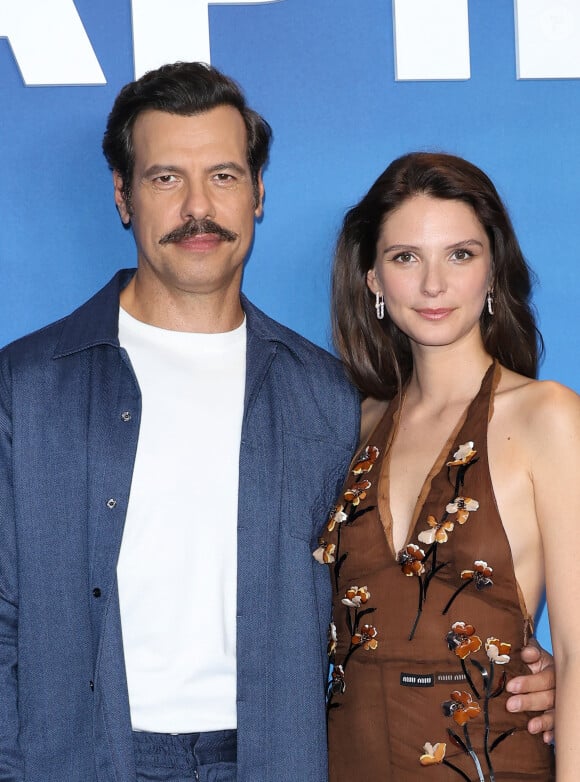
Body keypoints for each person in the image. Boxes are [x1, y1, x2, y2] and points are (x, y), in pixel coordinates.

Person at [0, 67, 555, 782]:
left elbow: (379, 592)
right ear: (122, 196)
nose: (198, 207)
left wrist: (529, 670)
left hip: (279, 757)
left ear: (259, 192)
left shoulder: (327, 396)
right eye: (167, 178)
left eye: (224, 175)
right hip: (78, 760)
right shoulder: (29, 385)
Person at [319, 151, 580, 780]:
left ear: (493, 271)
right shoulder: (349, 426)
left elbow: (574, 654)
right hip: (347, 759)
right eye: (406, 257)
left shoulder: (547, 416)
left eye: (459, 255)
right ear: (373, 279)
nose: (433, 285)